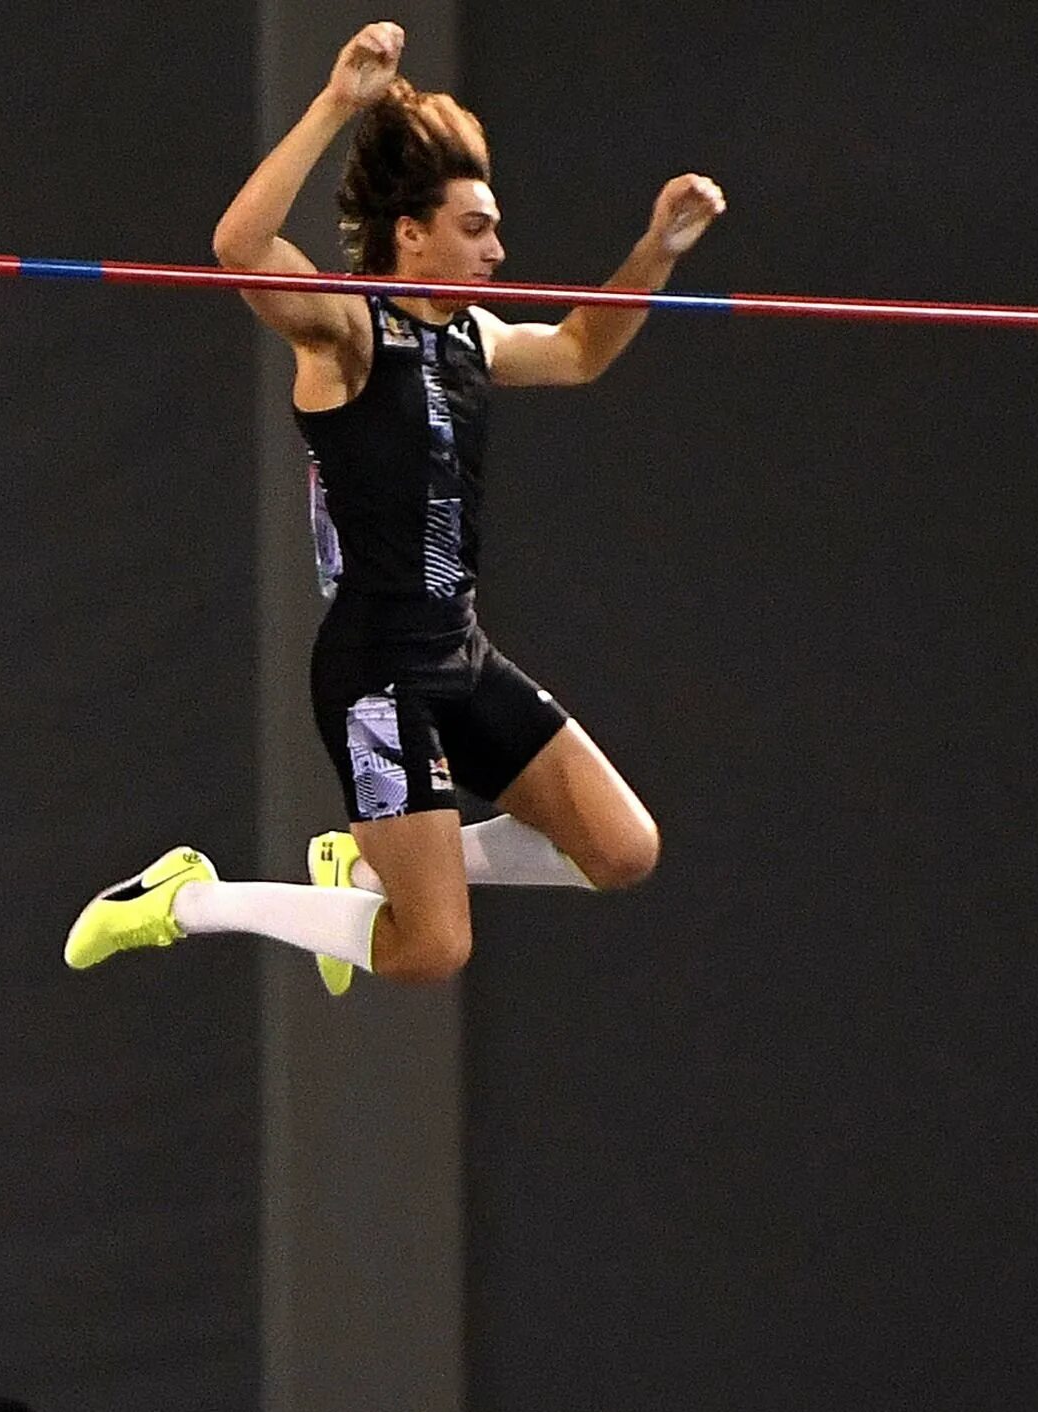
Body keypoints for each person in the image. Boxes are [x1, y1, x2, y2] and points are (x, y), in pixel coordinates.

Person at [61, 18, 726, 992]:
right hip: (378, 673)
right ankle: (187, 897)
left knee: (624, 850)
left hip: (458, 652)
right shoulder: (344, 333)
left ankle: (368, 862)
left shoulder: (475, 337)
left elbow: (582, 347)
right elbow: (238, 243)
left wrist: (655, 250)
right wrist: (338, 103)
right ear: (409, 234)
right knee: (429, 947)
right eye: (475, 227)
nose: (499, 246)